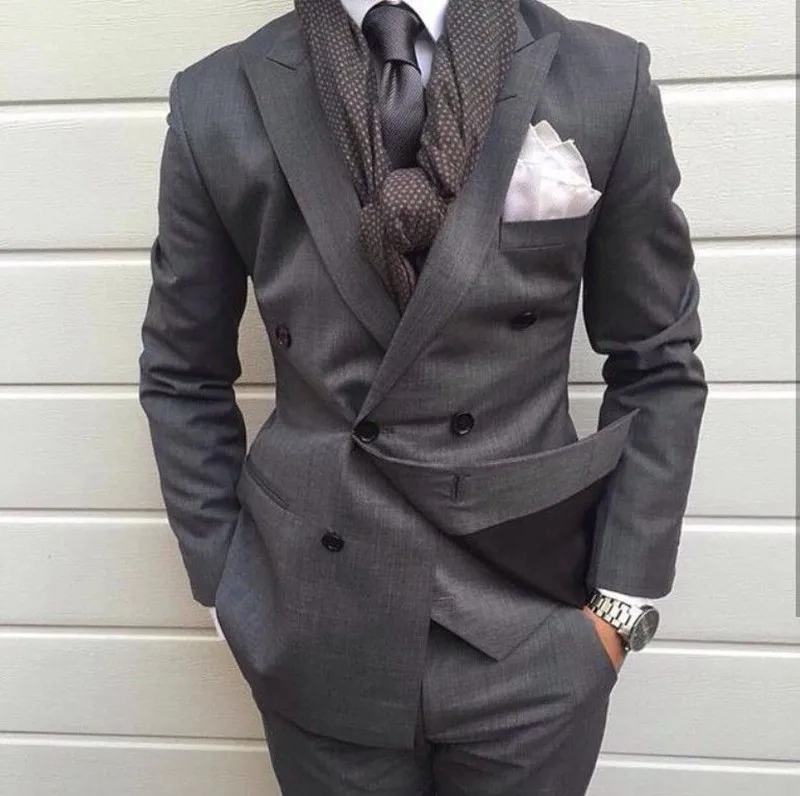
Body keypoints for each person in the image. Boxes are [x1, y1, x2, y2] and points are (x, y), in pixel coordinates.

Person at [138, 0, 708, 793]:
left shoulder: (603, 77)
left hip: (533, 619)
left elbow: (655, 359)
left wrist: (619, 604)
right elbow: (182, 370)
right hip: (315, 619)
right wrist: (229, 586)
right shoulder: (218, 99)